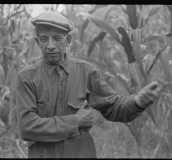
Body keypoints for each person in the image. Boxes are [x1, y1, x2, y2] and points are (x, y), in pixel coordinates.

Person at [15, 10, 161, 158]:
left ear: (68, 40)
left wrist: (136, 101)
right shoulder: (26, 77)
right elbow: (27, 127)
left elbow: (113, 106)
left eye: (57, 38)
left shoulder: (86, 71)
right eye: (44, 39)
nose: (51, 45)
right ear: (37, 42)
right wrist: (76, 121)